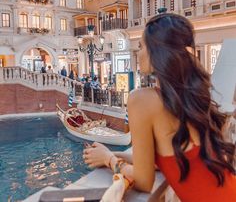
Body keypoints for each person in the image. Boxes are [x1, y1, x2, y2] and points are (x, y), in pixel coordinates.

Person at [83, 13, 236, 202]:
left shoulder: (141, 99)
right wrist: (111, 152)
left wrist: (109, 160)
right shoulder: (190, 98)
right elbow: (165, 159)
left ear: (157, 51)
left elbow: (143, 181)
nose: (138, 53)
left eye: (141, 46)